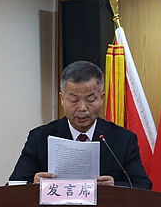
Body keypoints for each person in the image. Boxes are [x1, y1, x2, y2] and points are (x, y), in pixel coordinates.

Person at [9, 60, 152, 190]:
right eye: (73, 100)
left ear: (101, 98)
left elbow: (143, 187)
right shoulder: (40, 138)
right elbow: (12, 186)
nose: (82, 108)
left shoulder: (123, 140)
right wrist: (33, 185)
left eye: (90, 100)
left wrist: (114, 187)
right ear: (62, 99)